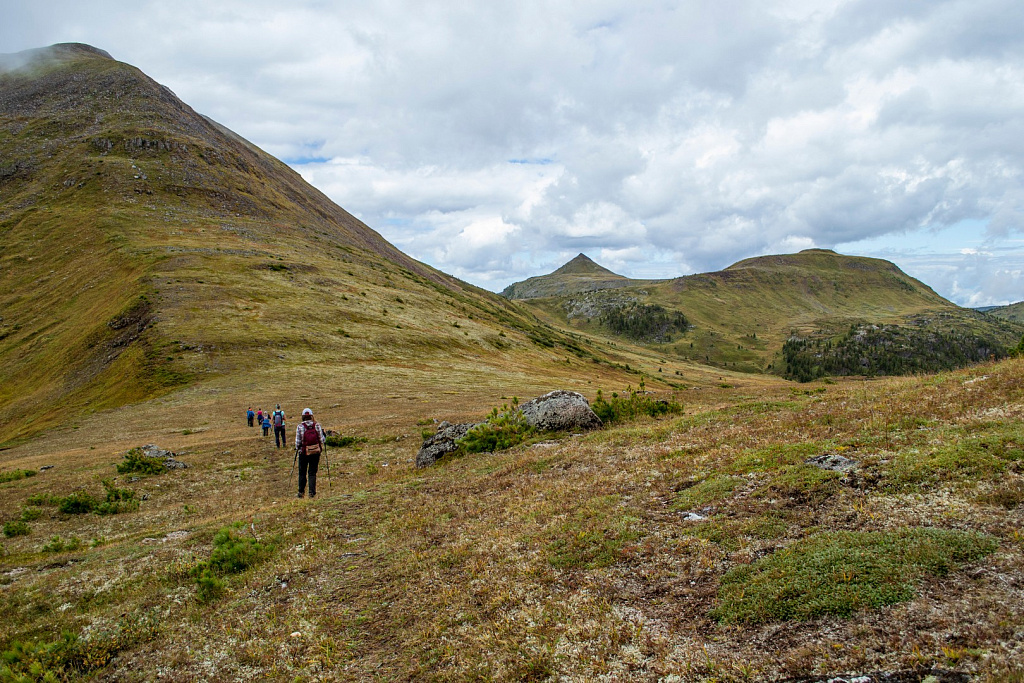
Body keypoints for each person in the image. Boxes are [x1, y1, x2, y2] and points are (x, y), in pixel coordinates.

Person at [294, 408, 325, 498]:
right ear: (311, 416)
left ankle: (301, 492)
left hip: (304, 453)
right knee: (312, 472)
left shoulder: (300, 426)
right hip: (315, 452)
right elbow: (321, 440)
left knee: (302, 472)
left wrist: (298, 449)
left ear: (303, 416)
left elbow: (297, 443)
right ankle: (312, 492)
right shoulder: (317, 425)